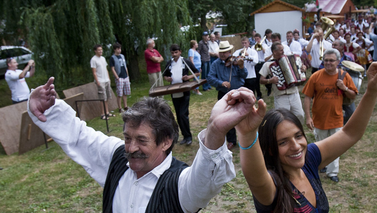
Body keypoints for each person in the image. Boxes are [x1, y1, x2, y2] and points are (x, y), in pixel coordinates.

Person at [28, 77, 235, 213]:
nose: (131, 147)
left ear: (166, 142)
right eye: (127, 138)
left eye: (142, 140)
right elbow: (80, 136)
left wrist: (215, 131)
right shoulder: (118, 157)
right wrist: (49, 109)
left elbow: (203, 180)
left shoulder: (179, 184)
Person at [222, 61, 377, 212]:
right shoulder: (271, 185)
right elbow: (254, 177)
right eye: (282, 142)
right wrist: (247, 134)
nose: (296, 146)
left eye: (298, 136)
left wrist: (372, 91)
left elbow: (350, 133)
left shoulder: (309, 159)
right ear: (271, 148)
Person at [303, 49, 358, 182]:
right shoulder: (316, 76)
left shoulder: (344, 76)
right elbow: (307, 97)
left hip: (337, 117)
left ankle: (332, 172)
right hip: (319, 118)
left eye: (331, 60)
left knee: (336, 146)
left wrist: (344, 88)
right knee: (320, 144)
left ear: (338, 62)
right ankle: (323, 164)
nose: (328, 63)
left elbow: (354, 95)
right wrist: (308, 117)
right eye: (326, 60)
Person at [207, 41, 248, 150]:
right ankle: (231, 140)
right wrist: (221, 83)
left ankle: (246, 139)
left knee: (242, 117)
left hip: (238, 92)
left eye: (225, 52)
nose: (223, 54)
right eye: (221, 52)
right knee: (226, 117)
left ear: (230, 52)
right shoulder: (216, 64)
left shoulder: (236, 61)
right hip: (224, 94)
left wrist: (241, 66)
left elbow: (244, 75)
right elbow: (210, 78)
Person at [259, 42, 306, 124]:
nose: (283, 52)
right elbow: (261, 80)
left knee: (300, 115)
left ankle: (298, 131)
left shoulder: (290, 59)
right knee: (283, 119)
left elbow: (301, 68)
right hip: (280, 95)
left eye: (283, 50)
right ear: (274, 52)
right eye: (281, 50)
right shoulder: (268, 64)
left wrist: (303, 69)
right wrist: (270, 80)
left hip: (294, 93)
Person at [163, 44, 200, 145]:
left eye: (176, 52)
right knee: (179, 115)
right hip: (174, 91)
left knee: (183, 114)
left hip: (184, 91)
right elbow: (165, 75)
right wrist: (168, 79)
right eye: (172, 53)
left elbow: (197, 72)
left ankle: (188, 137)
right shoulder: (170, 63)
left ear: (180, 52)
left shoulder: (185, 61)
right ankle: (184, 136)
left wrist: (188, 77)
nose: (174, 54)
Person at [90, 44, 114, 120]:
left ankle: (107, 112)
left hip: (106, 80)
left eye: (101, 49)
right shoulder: (94, 59)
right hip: (100, 80)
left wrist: (109, 78)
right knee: (102, 98)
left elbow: (106, 69)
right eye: (99, 50)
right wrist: (97, 81)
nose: (101, 51)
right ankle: (102, 114)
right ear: (95, 51)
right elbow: (94, 72)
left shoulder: (103, 58)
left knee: (106, 97)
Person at [110, 42, 131, 113]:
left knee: (125, 92)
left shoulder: (122, 56)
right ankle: (120, 107)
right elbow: (112, 68)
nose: (119, 50)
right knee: (119, 93)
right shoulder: (112, 58)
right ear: (115, 49)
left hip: (125, 76)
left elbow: (125, 66)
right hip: (119, 77)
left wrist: (127, 75)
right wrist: (117, 77)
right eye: (118, 49)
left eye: (120, 49)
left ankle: (125, 106)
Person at [252, 33, 269, 100]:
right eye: (255, 39)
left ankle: (268, 87)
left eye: (258, 39)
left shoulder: (265, 45)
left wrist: (261, 47)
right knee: (256, 80)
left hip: (263, 63)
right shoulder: (253, 46)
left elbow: (266, 53)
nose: (257, 40)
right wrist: (256, 48)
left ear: (260, 39)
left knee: (265, 77)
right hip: (256, 64)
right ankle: (259, 94)